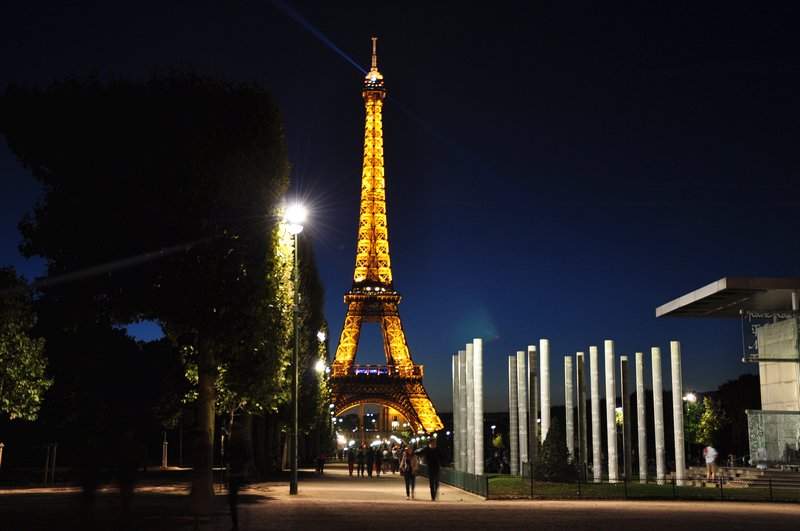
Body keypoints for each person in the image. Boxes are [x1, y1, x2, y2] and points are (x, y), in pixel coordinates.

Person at [227, 420, 249, 531]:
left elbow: (245, 458)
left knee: (233, 501)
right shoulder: (235, 442)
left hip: (237, 473)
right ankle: (234, 523)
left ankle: (235, 524)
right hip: (234, 473)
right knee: (232, 501)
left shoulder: (238, 443)